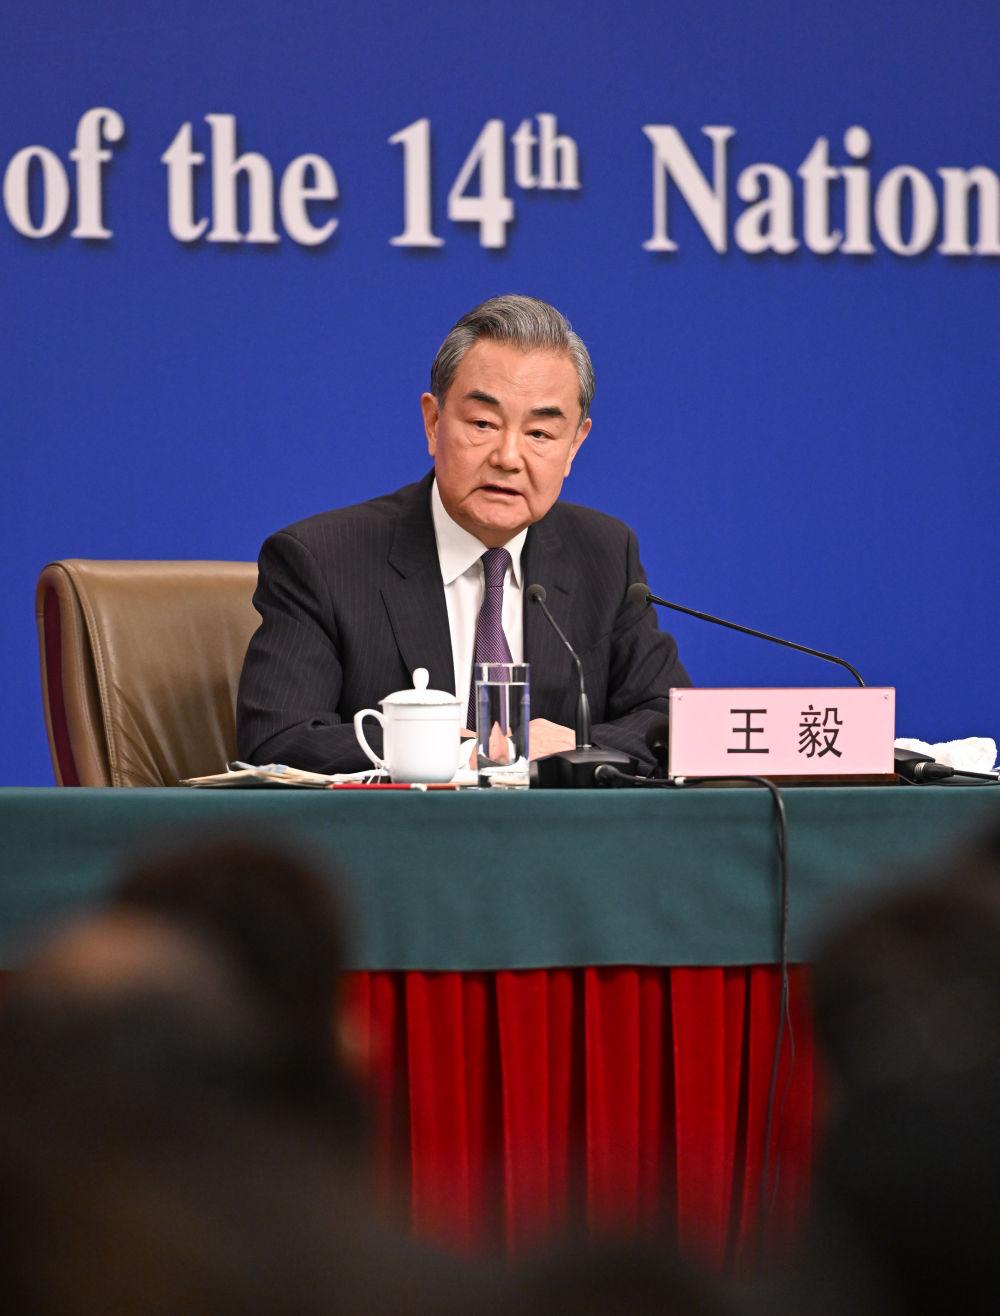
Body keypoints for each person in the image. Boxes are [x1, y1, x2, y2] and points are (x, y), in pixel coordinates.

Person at [237, 294, 690, 775]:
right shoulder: (323, 560)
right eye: (483, 423)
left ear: (574, 445)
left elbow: (670, 721)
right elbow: (279, 738)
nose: (508, 457)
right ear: (433, 423)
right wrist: (462, 755)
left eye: (539, 434)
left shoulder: (604, 553)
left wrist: (579, 745)